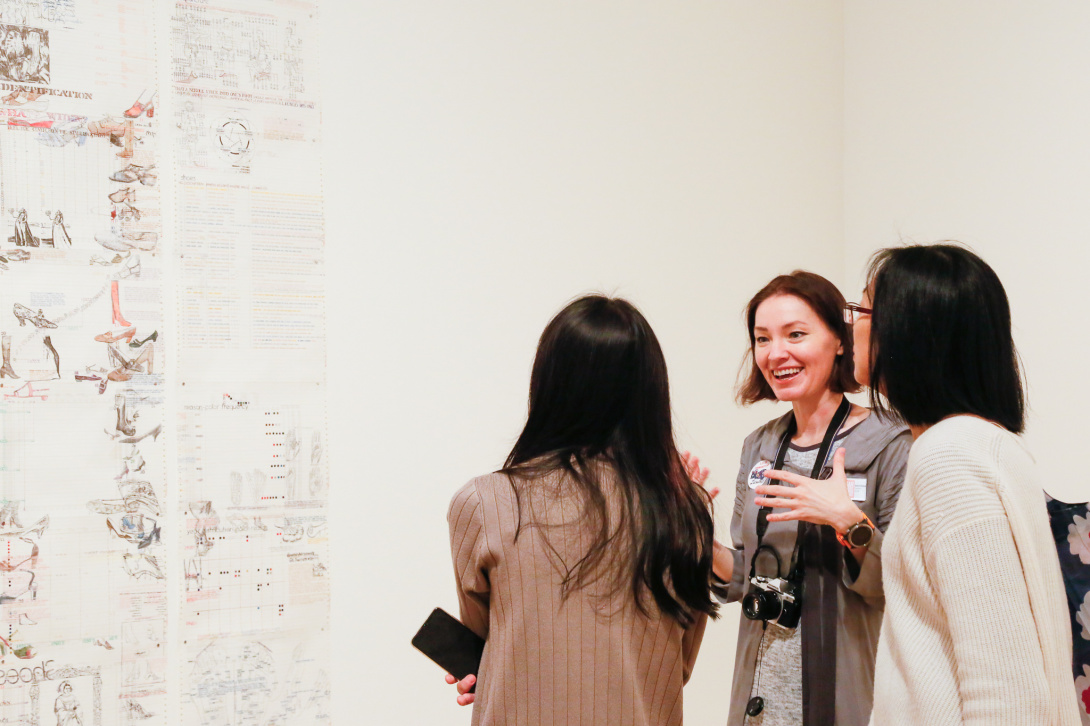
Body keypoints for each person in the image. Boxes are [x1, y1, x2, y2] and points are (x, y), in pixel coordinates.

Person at [445, 295, 721, 726]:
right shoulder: (684, 510)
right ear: (649, 392)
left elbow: (479, 644)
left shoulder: (483, 502)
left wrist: (499, 666)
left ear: (549, 383)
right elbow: (677, 667)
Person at [860, 244, 1080, 725]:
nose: (851, 324)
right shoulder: (983, 443)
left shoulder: (949, 454)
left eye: (863, 310)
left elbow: (1009, 694)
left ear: (906, 332)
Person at [711, 270, 910, 725]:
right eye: (762, 339)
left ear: (840, 340)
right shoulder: (758, 446)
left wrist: (848, 521)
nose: (776, 353)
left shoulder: (888, 441)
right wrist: (695, 534)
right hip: (757, 702)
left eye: (795, 334)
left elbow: (901, 588)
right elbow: (745, 578)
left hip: (844, 702)